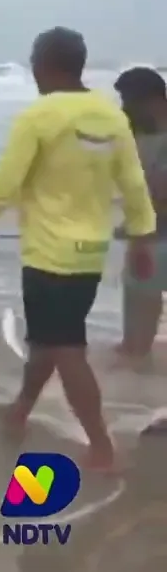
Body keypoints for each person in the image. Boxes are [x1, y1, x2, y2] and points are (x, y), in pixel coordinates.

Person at [0, 27, 156, 471]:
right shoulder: (111, 117)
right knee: (49, 339)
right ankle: (19, 411)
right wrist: (141, 236)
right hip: (90, 251)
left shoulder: (40, 117)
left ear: (45, 64)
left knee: (65, 345)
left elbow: (5, 185)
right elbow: (133, 185)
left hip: (49, 254)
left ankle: (101, 446)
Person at [113, 67, 167, 362]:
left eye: (130, 102)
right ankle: (130, 346)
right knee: (134, 286)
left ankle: (138, 355)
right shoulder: (138, 132)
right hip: (144, 228)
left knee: (147, 290)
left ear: (155, 100)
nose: (124, 108)